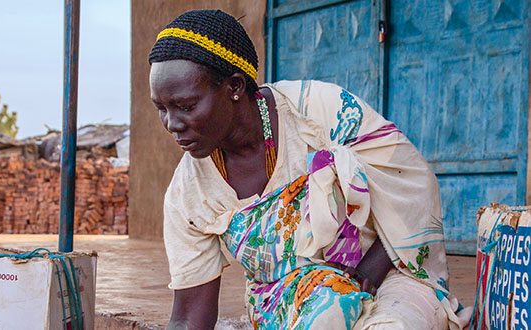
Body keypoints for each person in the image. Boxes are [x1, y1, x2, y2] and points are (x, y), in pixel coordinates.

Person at [148, 9, 470, 330]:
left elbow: (412, 182)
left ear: (234, 86)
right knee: (326, 314)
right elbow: (190, 316)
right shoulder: (188, 194)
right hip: (287, 300)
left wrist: (371, 269)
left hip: (388, 272)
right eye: (161, 109)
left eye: (186, 106)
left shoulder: (319, 111)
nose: (172, 125)